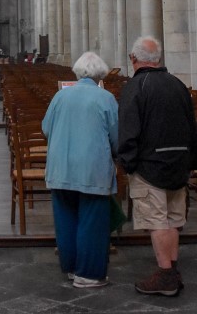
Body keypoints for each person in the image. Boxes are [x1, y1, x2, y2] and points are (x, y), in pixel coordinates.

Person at [117, 36, 197, 297]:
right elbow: (192, 127)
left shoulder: (136, 87)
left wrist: (127, 164)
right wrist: (193, 162)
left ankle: (165, 274)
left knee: (157, 222)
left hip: (149, 167)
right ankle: (172, 271)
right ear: (159, 59)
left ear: (134, 59)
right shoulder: (177, 85)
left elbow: (128, 131)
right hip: (178, 164)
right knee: (174, 220)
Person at [40, 51, 119, 288]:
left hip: (61, 168)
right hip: (91, 170)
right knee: (92, 221)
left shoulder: (60, 97)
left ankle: (72, 268)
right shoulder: (105, 98)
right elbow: (116, 137)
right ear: (100, 74)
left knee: (66, 220)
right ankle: (89, 274)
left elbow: (46, 128)